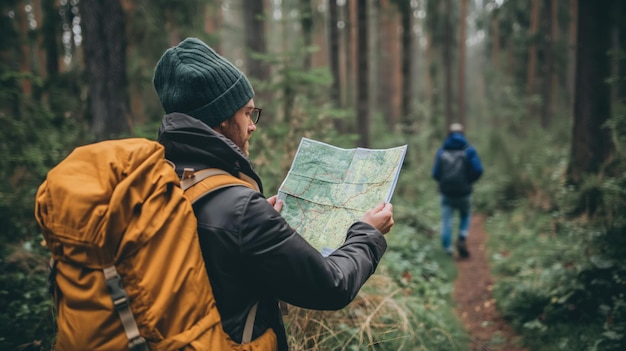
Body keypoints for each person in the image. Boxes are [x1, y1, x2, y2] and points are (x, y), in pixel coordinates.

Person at [152, 37, 394, 351]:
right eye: (247, 114)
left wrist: (255, 226)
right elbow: (331, 286)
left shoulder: (162, 178)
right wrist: (367, 234)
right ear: (223, 118)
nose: (252, 126)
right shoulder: (240, 210)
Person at [431, 123, 483, 258]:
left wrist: (444, 182)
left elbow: (436, 174)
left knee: (447, 220)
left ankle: (447, 250)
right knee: (465, 215)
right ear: (462, 133)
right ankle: (462, 237)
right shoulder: (469, 150)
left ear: (449, 134)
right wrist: (469, 180)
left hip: (446, 192)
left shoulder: (441, 151)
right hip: (464, 192)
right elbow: (478, 170)